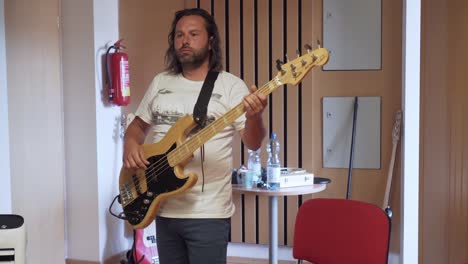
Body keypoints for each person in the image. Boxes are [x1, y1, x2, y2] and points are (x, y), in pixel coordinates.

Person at [122, 8, 267, 264]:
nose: (184, 40)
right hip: (162, 205)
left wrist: (255, 115)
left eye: (193, 34)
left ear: (210, 41)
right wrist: (131, 143)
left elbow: (253, 142)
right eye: (179, 35)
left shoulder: (230, 86)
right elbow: (137, 127)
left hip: (208, 212)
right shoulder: (160, 82)